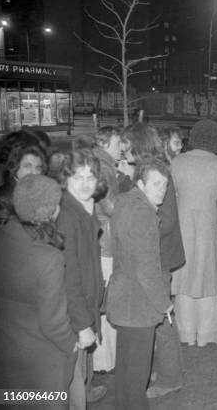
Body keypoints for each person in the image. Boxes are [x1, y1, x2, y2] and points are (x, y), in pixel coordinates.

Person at [0, 175, 79, 410]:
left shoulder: (0, 237)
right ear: (50, 211)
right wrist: (71, 344)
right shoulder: (48, 259)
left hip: (5, 358)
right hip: (43, 367)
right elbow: (53, 323)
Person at [106, 157, 173, 410]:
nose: (162, 190)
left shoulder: (125, 202)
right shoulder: (144, 214)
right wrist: (163, 303)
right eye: (156, 184)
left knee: (125, 370)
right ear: (142, 185)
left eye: (165, 185)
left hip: (122, 297)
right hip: (138, 304)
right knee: (137, 376)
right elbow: (147, 269)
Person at [171, 120, 217, 346]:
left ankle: (185, 332)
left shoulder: (177, 162)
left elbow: (171, 196)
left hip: (181, 226)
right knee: (206, 277)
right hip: (208, 228)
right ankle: (206, 333)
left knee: (183, 277)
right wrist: (214, 218)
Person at [52, 149, 107, 408]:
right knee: (72, 387)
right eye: (78, 177)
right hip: (74, 319)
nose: (85, 184)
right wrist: (83, 325)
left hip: (82, 310)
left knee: (78, 379)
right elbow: (69, 277)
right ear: (65, 179)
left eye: (91, 177)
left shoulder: (82, 210)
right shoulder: (67, 218)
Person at [91, 126, 123, 373]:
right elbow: (111, 206)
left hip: (100, 238)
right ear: (105, 143)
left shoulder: (99, 163)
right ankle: (105, 360)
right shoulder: (105, 167)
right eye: (116, 142)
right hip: (106, 241)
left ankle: (105, 357)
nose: (120, 146)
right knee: (106, 300)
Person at [0, 144, 46, 227]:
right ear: (14, 167)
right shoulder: (0, 200)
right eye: (27, 166)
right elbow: (5, 237)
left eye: (38, 168)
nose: (34, 172)